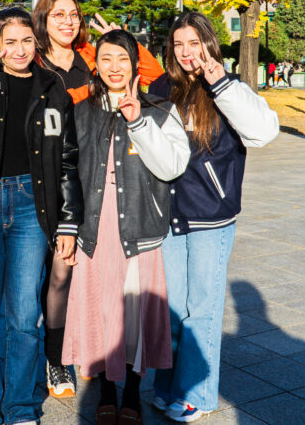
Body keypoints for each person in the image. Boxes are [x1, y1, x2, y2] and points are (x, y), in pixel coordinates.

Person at [0, 7, 82, 425]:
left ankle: (21, 408)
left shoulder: (52, 89)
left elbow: (67, 159)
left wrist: (67, 221)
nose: (19, 49)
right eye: (10, 41)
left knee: (25, 317)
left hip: (32, 205)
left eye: (27, 40)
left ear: (35, 42)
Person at [32, 0, 163, 398]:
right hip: (39, 178)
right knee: (53, 276)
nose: (68, 21)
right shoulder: (29, 59)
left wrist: (129, 42)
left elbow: (149, 77)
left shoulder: (90, 57)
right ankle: (57, 360)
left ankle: (80, 352)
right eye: (58, 15)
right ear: (44, 20)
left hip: (78, 182)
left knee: (74, 273)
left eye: (74, 14)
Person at [149, 11, 278, 423]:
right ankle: (167, 386)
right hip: (167, 215)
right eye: (179, 44)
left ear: (209, 43)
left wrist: (219, 84)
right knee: (172, 307)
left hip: (210, 216)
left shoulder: (228, 87)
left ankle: (197, 396)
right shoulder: (160, 87)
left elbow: (263, 131)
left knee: (200, 309)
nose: (187, 52)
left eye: (194, 43)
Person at [63, 30, 190, 423]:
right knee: (100, 310)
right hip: (94, 230)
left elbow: (172, 166)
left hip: (140, 229)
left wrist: (137, 121)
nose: (114, 67)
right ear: (95, 65)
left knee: (133, 315)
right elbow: (67, 170)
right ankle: (104, 390)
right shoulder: (81, 111)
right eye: (106, 59)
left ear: (136, 63)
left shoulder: (160, 109)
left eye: (122, 58)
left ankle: (133, 392)